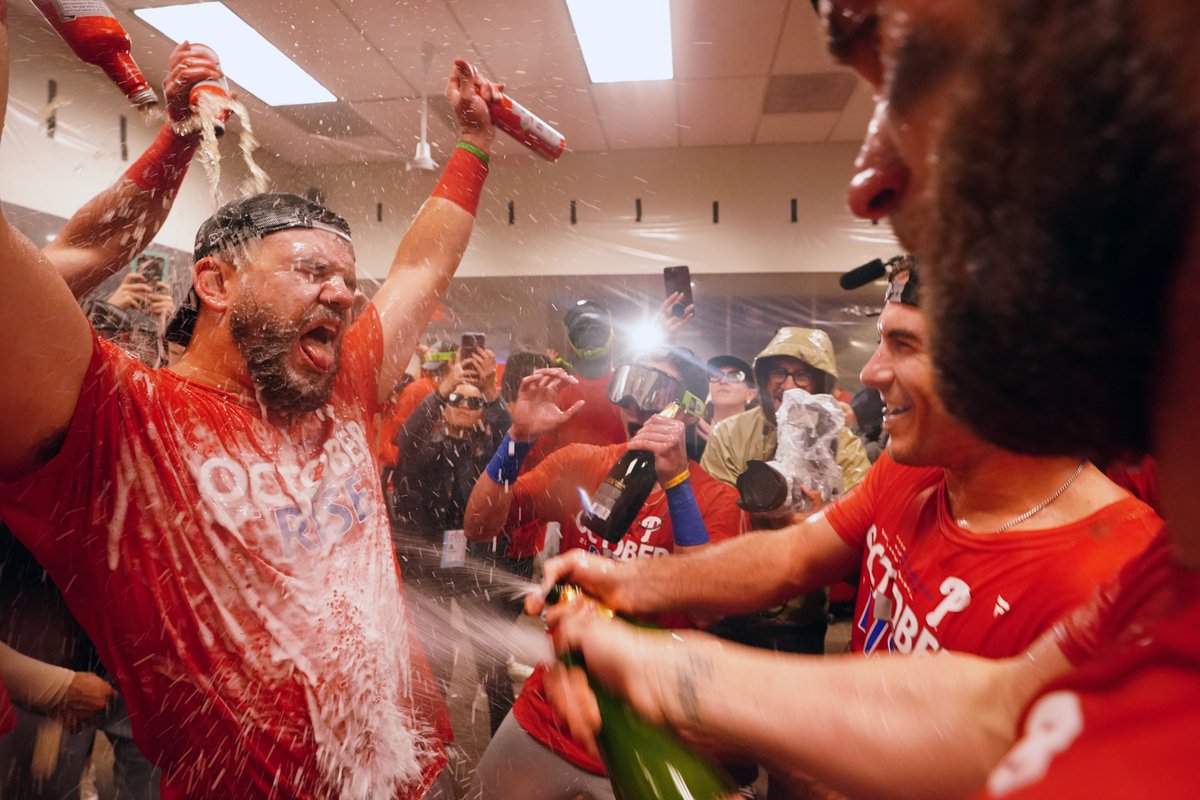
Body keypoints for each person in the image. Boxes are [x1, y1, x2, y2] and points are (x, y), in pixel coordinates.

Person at [536, 1, 1200, 797]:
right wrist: (650, 627)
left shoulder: (1107, 556)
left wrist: (681, 671)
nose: (866, 181)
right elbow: (994, 710)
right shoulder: (1156, 574)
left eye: (920, 69)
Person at [0, 11, 501, 791]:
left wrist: (472, 144)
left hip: (419, 775)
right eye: (310, 271)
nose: (342, 292)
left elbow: (420, 269)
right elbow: (45, 264)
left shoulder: (341, 389)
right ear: (217, 282)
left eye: (346, 277)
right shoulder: (118, 420)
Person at [0, 40, 225, 799]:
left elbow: (97, 244)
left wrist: (180, 137)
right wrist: (37, 679)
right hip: (20, 638)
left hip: (107, 622)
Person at [463, 349, 744, 800]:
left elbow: (706, 612)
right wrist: (516, 438)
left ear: (688, 412)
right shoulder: (584, 463)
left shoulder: (716, 500)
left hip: (648, 733)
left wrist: (675, 484)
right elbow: (479, 526)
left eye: (655, 391)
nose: (634, 405)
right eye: (627, 386)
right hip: (552, 711)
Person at [700, 326, 872, 656]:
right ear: (764, 378)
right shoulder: (731, 434)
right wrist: (755, 513)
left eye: (802, 374)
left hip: (799, 616)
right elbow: (713, 513)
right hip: (732, 602)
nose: (788, 384)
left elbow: (860, 527)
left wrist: (822, 522)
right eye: (779, 371)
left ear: (821, 382)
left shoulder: (844, 446)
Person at [391, 346, 515, 735]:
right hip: (429, 569)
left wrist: (493, 398)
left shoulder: (488, 455)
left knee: (493, 664)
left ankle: (503, 745)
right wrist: (440, 391)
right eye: (457, 399)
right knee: (434, 662)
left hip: (474, 567)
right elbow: (406, 436)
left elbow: (515, 446)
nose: (464, 405)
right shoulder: (426, 449)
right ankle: (433, 742)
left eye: (473, 401)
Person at [697, 354, 756, 446]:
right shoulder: (694, 431)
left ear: (750, 395)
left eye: (735, 376)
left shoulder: (760, 436)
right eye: (716, 375)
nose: (723, 381)